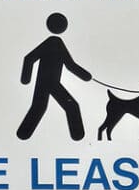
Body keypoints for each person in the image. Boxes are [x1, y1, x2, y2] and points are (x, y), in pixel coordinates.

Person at [16, 12, 92, 141]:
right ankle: (77, 134)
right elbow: (30, 58)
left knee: (39, 107)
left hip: (46, 82)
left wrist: (86, 76)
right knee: (69, 106)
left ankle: (23, 133)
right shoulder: (54, 43)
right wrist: (25, 79)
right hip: (50, 83)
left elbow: (68, 64)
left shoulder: (54, 43)